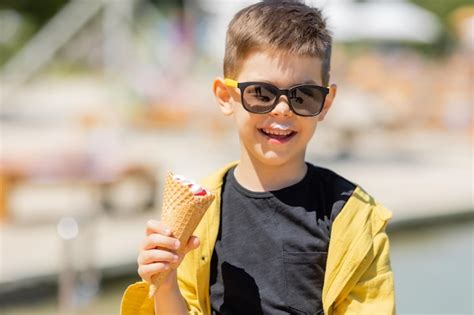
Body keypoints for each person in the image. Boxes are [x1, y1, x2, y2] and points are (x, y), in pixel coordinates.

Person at [120, 1, 395, 314]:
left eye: (303, 95)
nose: (282, 109)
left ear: (326, 102)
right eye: (261, 93)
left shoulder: (354, 216)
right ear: (226, 97)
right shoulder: (203, 210)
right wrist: (165, 282)